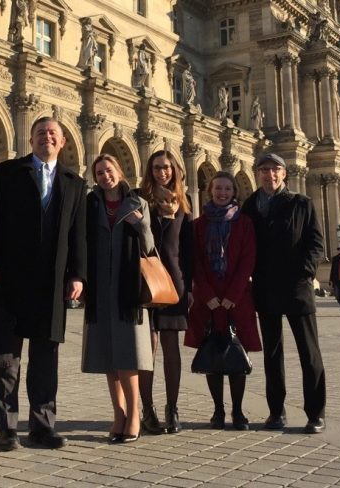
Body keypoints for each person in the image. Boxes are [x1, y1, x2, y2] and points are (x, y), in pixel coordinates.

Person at [0, 117, 86, 451]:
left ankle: (43, 425)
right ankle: (7, 428)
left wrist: (77, 274)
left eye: (53, 134)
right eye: (41, 132)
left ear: (62, 143)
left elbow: (78, 235)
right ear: (30, 139)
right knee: (6, 358)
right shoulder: (7, 173)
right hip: (12, 278)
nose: (47, 137)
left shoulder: (74, 182)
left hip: (53, 281)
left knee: (46, 357)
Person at [240, 152, 327, 434]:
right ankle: (276, 412)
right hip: (265, 288)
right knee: (273, 354)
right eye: (264, 169)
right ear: (258, 174)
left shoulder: (302, 203)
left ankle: (315, 413)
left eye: (275, 169)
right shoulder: (250, 206)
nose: (269, 174)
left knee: (309, 353)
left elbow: (315, 243)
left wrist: (305, 273)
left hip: (297, 288)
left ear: (284, 174)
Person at [82, 154, 154, 444]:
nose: (104, 176)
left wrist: (141, 226)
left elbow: (149, 247)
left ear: (119, 172)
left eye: (108, 170)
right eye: (98, 172)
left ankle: (134, 414)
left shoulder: (139, 203)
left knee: (128, 354)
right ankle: (118, 414)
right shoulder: (91, 204)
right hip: (100, 286)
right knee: (109, 355)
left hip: (128, 290)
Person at [185, 172, 261, 431]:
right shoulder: (198, 225)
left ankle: (238, 411)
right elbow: (194, 262)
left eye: (227, 188)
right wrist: (208, 296)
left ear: (234, 192)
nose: (222, 193)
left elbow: (248, 260)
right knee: (212, 357)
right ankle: (218, 410)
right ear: (210, 190)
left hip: (235, 300)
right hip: (209, 302)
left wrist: (231, 296)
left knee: (238, 356)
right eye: (218, 188)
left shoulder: (246, 224)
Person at [136, 150, 192, 435]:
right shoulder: (139, 198)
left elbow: (189, 250)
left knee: (171, 348)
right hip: (144, 283)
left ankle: (172, 408)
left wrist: (190, 289)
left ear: (175, 170)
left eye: (167, 168)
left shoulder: (183, 203)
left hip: (174, 285)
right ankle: (148, 409)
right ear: (150, 169)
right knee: (147, 349)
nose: (162, 172)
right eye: (157, 167)